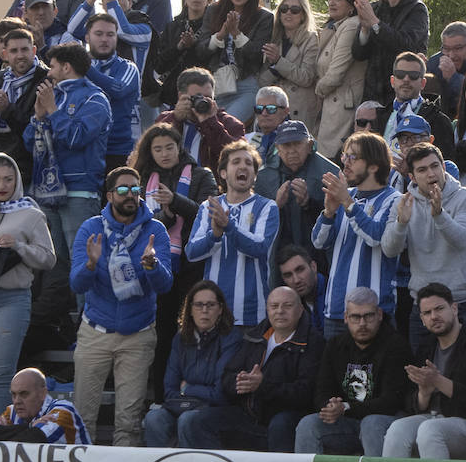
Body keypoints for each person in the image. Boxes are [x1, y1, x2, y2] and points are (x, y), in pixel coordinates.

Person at [69, 166, 173, 445]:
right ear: (110, 195)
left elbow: (165, 285)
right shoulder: (91, 228)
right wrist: (91, 264)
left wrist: (152, 266)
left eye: (136, 189)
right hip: (95, 332)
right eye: (123, 189)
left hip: (138, 334)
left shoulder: (155, 230)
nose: (131, 195)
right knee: (82, 419)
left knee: (128, 423)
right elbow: (76, 284)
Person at [297, 286, 410, 462]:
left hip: (384, 424)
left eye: (368, 316)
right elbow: (320, 390)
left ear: (379, 314)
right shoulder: (336, 344)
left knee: (372, 423)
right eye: (356, 317)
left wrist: (346, 408)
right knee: (308, 425)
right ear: (345, 318)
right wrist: (330, 406)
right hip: (347, 424)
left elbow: (392, 400)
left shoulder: (395, 345)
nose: (363, 323)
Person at [25, 41, 111, 332]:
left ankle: (90, 327)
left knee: (84, 260)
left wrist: (51, 111)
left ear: (66, 66)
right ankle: (64, 327)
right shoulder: (54, 96)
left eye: (53, 65)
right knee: (56, 263)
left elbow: (76, 138)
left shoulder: (95, 99)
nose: (49, 71)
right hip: (48, 195)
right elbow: (29, 143)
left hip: (80, 192)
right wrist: (39, 116)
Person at [179, 285, 323, 452]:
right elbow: (228, 376)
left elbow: (305, 393)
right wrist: (240, 382)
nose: (280, 311)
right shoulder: (255, 336)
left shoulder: (313, 343)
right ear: (267, 310)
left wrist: (263, 386)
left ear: (300, 310)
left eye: (287, 306)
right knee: (192, 421)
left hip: (285, 418)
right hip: (247, 414)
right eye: (274, 306)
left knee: (280, 424)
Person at [131, 122, 218, 397]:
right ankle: (159, 395)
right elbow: (137, 221)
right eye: (158, 148)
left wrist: (175, 201)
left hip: (191, 267)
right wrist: (166, 216)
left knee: (188, 333)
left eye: (169, 147)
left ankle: (191, 393)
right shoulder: (142, 178)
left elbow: (206, 214)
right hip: (155, 265)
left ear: (179, 148)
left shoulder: (202, 175)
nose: (165, 153)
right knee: (162, 335)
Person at [379, 282, 466, 462]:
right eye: (427, 313)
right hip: (432, 419)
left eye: (439, 309)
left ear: (454, 308)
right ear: (421, 319)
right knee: (397, 429)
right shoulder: (426, 345)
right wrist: (425, 392)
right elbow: (414, 405)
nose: (434, 316)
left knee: (430, 429)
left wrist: (438, 380)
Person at [383, 142, 466, 346]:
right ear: (411, 177)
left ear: (444, 167)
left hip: (465, 301)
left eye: (435, 166)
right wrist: (401, 224)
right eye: (422, 169)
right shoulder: (402, 203)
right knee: (422, 372)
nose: (431, 174)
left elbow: (463, 240)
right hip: (425, 306)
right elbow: (389, 250)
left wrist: (439, 215)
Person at [0, 154, 56, 419]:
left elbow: (48, 258)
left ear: (17, 181)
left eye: (8, 180)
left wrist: (19, 247)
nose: (2, 185)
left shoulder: (31, 214)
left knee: (1, 374)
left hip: (12, 298)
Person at [312, 130, 400, 337]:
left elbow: (376, 237)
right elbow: (318, 242)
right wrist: (329, 213)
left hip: (374, 313)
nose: (345, 162)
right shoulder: (345, 196)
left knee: (369, 371)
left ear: (374, 165)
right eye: (344, 156)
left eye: (353, 157)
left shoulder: (394, 199)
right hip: (337, 310)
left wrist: (348, 205)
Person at [185, 140, 277, 326]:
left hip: (251, 315)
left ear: (255, 175)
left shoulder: (267, 206)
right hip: (213, 315)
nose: (243, 166)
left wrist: (228, 227)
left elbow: (260, 247)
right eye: (236, 162)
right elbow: (191, 253)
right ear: (223, 173)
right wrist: (215, 235)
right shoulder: (208, 207)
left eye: (249, 163)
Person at [143, 280, 242, 447]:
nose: (204, 310)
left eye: (210, 305)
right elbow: (169, 390)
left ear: (220, 309)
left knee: (188, 420)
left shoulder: (231, 338)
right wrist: (195, 392)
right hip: (183, 406)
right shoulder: (180, 339)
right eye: (198, 305)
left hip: (217, 409)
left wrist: (187, 388)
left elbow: (220, 394)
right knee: (153, 418)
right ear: (189, 310)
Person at [196, 0, 272, 123]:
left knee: (228, 127)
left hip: (245, 86)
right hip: (215, 86)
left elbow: (256, 55)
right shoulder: (213, 10)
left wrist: (237, 34)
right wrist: (221, 34)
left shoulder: (264, 17)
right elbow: (200, 51)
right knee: (212, 133)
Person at [352, 0, 430, 104]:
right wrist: (365, 29)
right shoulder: (374, 8)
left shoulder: (417, 9)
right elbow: (359, 54)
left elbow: (405, 44)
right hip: (373, 92)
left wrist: (375, 23)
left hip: (403, 90)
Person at [255, 118, 338, 253]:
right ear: (278, 149)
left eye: (297, 144)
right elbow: (256, 224)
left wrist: (308, 204)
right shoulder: (263, 177)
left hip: (318, 255)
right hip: (277, 253)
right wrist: (276, 206)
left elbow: (338, 222)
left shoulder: (329, 173)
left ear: (310, 145)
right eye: (286, 145)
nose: (292, 151)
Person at [0, 28, 48, 184]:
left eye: (24, 49)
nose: (20, 56)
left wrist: (8, 110)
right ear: (5, 55)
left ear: (34, 50)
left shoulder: (46, 80)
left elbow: (37, 130)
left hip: (27, 168)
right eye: (14, 51)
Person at [154, 66, 247, 173]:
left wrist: (210, 122)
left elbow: (237, 158)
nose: (202, 102)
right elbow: (153, 150)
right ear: (181, 96)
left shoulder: (230, 124)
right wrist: (176, 119)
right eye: (196, 97)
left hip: (210, 186)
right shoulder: (164, 119)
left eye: (208, 98)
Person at [314, 0, 368, 160]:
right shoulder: (335, 28)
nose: (331, 2)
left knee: (334, 162)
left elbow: (335, 75)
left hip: (342, 106)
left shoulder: (351, 25)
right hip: (332, 105)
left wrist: (317, 91)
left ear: (351, 5)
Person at [82, 12, 141, 169]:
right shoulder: (74, 69)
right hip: (83, 150)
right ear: (87, 37)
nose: (104, 39)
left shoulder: (128, 67)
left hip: (119, 152)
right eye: (98, 34)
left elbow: (118, 89)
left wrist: (85, 67)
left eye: (110, 34)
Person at [259, 0, 320, 134]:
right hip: (272, 109)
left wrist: (278, 62)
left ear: (303, 15)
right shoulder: (273, 38)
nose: (288, 13)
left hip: (298, 109)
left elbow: (306, 77)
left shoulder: (311, 39)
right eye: (284, 9)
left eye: (295, 10)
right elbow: (261, 80)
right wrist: (275, 68)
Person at [154, 0, 213, 112]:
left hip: (203, 95)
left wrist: (193, 47)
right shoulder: (173, 27)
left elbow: (212, 60)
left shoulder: (213, 27)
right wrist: (179, 47)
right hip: (171, 95)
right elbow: (159, 64)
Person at [0, 367, 88, 444]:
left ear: (42, 394)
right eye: (14, 395)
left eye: (24, 394)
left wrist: (3, 433)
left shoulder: (63, 410)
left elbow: (31, 441)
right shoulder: (12, 412)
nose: (17, 401)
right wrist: (29, 427)